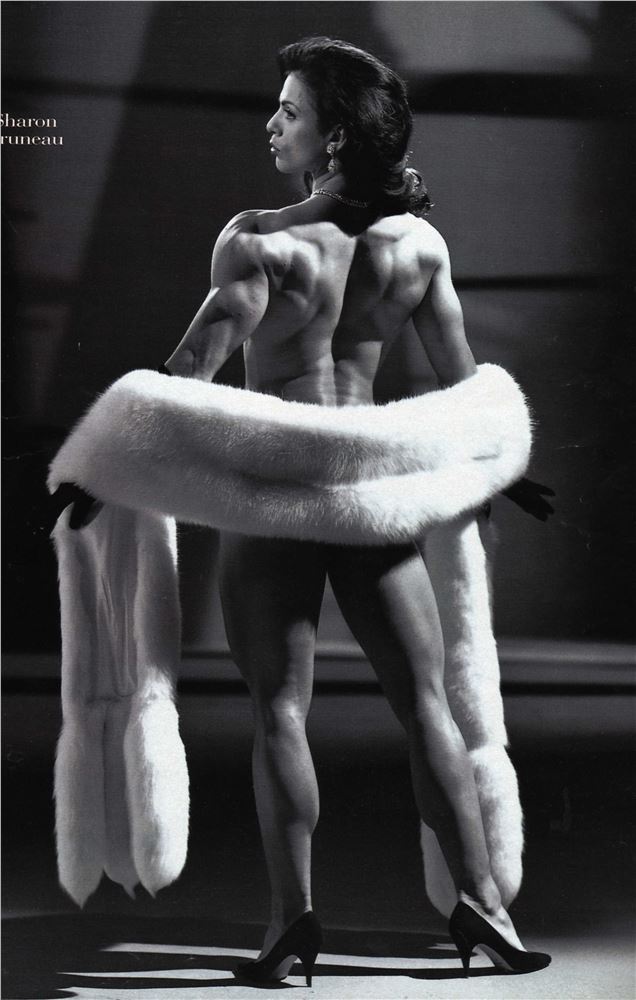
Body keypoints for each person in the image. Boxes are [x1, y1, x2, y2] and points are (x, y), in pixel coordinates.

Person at [55, 35, 552, 984]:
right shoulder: (419, 248)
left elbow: (186, 376)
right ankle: (485, 907)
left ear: (334, 139)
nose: (271, 124)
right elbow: (465, 388)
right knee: (426, 707)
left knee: (279, 710)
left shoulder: (258, 241)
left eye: (290, 110)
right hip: (369, 498)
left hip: (275, 498)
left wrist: (99, 460)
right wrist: (506, 468)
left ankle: (290, 925)